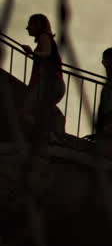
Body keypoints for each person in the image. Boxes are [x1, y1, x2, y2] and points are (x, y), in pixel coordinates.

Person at [18, 13, 65, 147]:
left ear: (38, 25)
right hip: (56, 84)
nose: (27, 28)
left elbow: (47, 54)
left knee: (25, 113)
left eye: (30, 24)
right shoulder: (46, 39)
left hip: (49, 84)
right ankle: (56, 132)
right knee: (44, 110)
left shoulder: (44, 36)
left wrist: (32, 53)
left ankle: (49, 136)